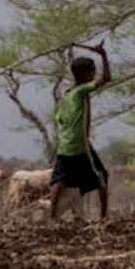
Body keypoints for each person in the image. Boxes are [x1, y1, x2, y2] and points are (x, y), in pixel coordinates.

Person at [49, 41, 111, 220]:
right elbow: (107, 78)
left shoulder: (68, 95)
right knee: (102, 177)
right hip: (80, 146)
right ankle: (104, 217)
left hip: (64, 145)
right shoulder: (80, 92)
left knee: (58, 182)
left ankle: (51, 218)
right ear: (86, 76)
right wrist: (103, 55)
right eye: (92, 72)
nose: (94, 75)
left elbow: (60, 119)